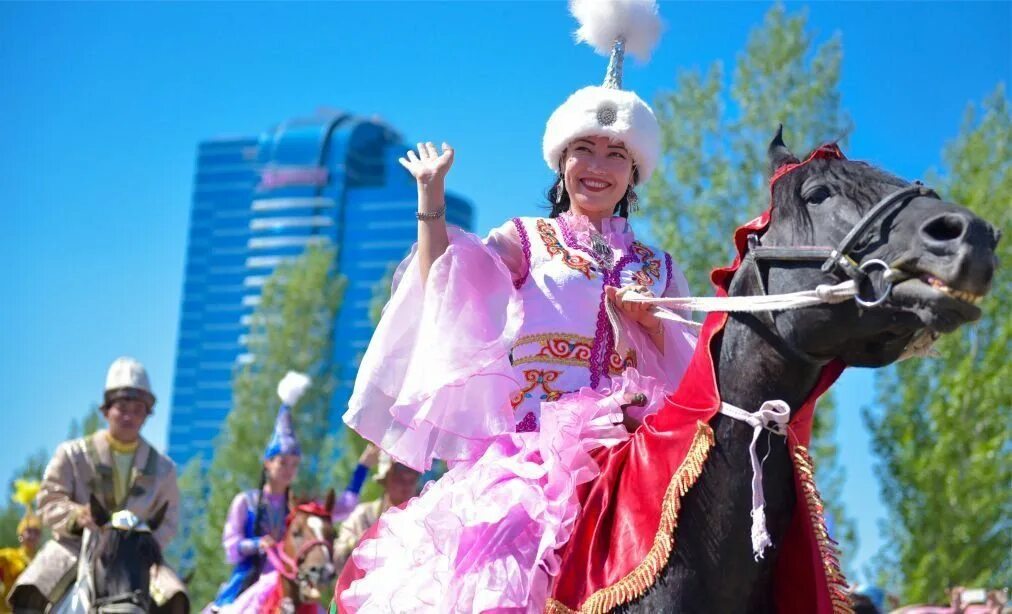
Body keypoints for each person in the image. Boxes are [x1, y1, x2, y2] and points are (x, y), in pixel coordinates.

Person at [338, 1, 696, 610]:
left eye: (616, 155)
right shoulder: (526, 240)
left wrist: (651, 326)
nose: (598, 167)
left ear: (634, 174)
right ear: (561, 162)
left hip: (634, 451)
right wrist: (432, 201)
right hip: (529, 464)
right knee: (499, 574)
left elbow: (693, 377)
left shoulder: (659, 268)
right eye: (585, 148)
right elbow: (442, 282)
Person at [9, 357, 187, 613]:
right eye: (122, 407)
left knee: (176, 598)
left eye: (138, 409)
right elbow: (49, 499)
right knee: (31, 589)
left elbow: (169, 520)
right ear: (106, 410)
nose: (129, 416)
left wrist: (142, 541)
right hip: (75, 547)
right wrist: (77, 516)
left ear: (147, 415)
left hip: (137, 558)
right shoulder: (72, 453)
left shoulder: (164, 469)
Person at [210, 372, 378, 610]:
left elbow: (344, 507)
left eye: (294, 464)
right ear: (268, 463)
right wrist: (259, 544)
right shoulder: (245, 502)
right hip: (252, 580)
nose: (288, 470)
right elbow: (231, 547)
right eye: (282, 462)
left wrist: (362, 469)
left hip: (293, 582)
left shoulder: (300, 508)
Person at [332, 453, 421, 574]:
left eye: (412, 480)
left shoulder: (423, 519)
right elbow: (338, 558)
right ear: (387, 480)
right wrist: (360, 541)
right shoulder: (363, 515)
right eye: (400, 479)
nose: (406, 485)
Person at [0, 481, 42, 613]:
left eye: (36, 532)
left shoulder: (42, 559)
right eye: (29, 531)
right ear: (21, 534)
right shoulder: (9, 556)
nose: (32, 535)